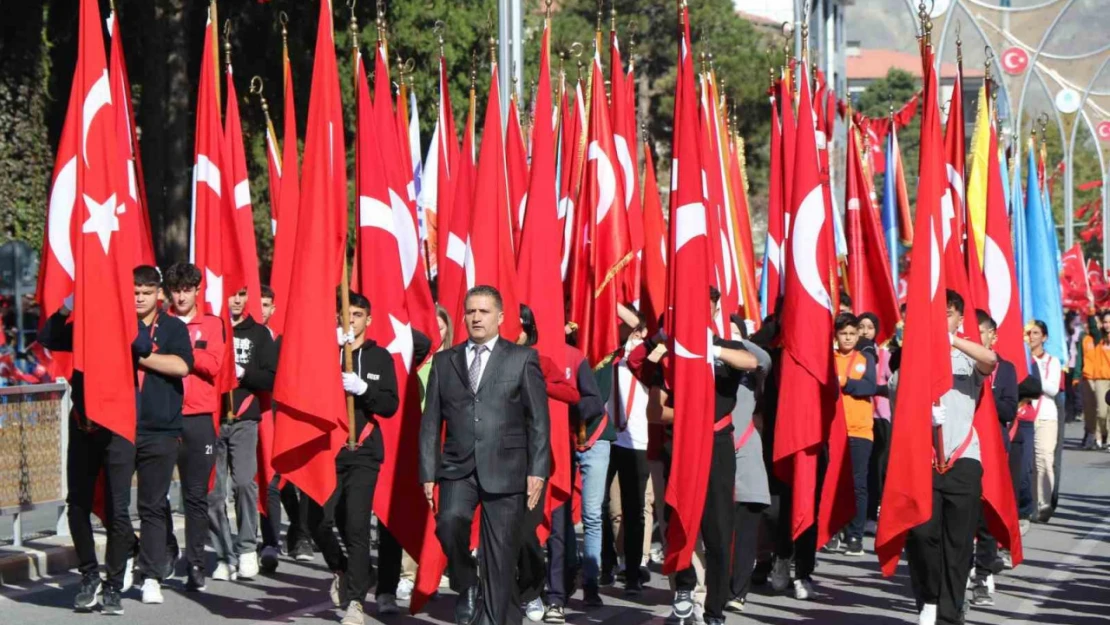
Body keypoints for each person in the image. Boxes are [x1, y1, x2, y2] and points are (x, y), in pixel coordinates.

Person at [419, 285, 550, 625]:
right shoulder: (445, 361)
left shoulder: (522, 359)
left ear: (501, 317)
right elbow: (431, 421)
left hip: (507, 468)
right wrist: (428, 472)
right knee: (449, 523)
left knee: (500, 555)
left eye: (484, 311)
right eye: (471, 311)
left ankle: (492, 620)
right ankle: (465, 581)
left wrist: (537, 470)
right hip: (457, 467)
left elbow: (538, 420)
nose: (476, 317)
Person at [893, 290, 997, 625]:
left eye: (949, 313)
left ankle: (950, 613)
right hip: (923, 458)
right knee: (923, 535)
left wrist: (951, 341)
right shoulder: (912, 357)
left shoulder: (966, 357)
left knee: (958, 542)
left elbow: (990, 360)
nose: (943, 319)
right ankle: (928, 598)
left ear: (959, 319)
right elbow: (897, 399)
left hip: (962, 457)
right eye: (937, 314)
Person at [670, 287, 764, 625]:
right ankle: (682, 588)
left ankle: (715, 609)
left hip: (717, 443)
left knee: (719, 530)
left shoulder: (727, 346)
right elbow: (657, 410)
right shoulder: (673, 348)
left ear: (715, 308)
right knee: (680, 520)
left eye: (706, 304)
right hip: (683, 443)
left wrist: (712, 349)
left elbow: (754, 362)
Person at [312, 291, 399, 625]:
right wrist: (331, 353)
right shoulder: (326, 351)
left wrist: (365, 390)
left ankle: (355, 603)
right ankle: (344, 569)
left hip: (362, 451)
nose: (351, 319)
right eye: (346, 313)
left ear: (368, 319)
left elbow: (390, 404)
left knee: (357, 525)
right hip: (327, 449)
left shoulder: (380, 358)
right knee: (317, 520)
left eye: (358, 314)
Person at [130, 266, 193, 605]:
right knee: (111, 501)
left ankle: (151, 575)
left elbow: (181, 366)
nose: (139, 296)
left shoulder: (172, 327)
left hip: (160, 429)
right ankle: (125, 555)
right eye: (134, 290)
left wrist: (143, 356)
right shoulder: (117, 324)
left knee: (152, 504)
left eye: (146, 290)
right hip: (121, 425)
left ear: (159, 294)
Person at [162, 263, 226, 592]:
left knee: (195, 495)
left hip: (199, 419)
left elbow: (214, 365)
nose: (182, 295)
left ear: (197, 290)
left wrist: (181, 353)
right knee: (155, 494)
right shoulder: (160, 321)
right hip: (164, 418)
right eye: (176, 290)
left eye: (187, 289)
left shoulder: (213, 324)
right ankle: (168, 547)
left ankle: (196, 562)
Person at [514, 304, 580, 622]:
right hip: (492, 460)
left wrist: (540, 382)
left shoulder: (540, 361)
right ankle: (493, 592)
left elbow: (572, 394)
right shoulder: (485, 362)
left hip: (532, 461)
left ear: (527, 330)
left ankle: (533, 591)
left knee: (528, 533)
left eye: (516, 326)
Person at [206, 288, 276, 581]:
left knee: (245, 482)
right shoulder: (212, 327)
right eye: (230, 294)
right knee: (213, 492)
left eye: (241, 294)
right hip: (210, 420)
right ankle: (224, 554)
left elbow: (271, 376)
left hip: (244, 419)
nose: (235, 300)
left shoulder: (259, 334)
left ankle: (247, 547)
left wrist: (243, 374)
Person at [546, 332, 609, 613]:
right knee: (560, 512)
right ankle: (567, 572)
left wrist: (568, 408)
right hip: (556, 446)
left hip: (589, 438)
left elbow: (593, 400)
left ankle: (591, 582)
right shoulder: (535, 354)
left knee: (592, 514)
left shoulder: (574, 355)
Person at [599, 309, 653, 597]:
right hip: (607, 438)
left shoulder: (644, 355)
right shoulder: (609, 354)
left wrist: (638, 330)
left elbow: (646, 330)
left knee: (634, 510)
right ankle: (606, 563)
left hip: (636, 441)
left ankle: (632, 571)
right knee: (599, 505)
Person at [724, 318, 773, 613]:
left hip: (746, 454)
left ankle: (738, 590)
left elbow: (764, 359)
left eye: (736, 333)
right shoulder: (713, 368)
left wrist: (728, 340)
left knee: (745, 529)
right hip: (716, 454)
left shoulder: (753, 368)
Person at [970, 310, 1018, 606]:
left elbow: (1008, 410)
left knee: (987, 515)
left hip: (994, 451)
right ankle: (959, 568)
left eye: (982, 333)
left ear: (992, 336)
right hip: (962, 449)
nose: (977, 339)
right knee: (962, 515)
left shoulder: (1007, 369)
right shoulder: (958, 365)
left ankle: (984, 573)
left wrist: (983, 396)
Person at [834, 313, 878, 556]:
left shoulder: (865, 357)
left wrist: (845, 382)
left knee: (858, 484)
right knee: (833, 483)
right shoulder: (829, 358)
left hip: (860, 430)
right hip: (835, 430)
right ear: (836, 335)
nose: (848, 338)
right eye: (844, 334)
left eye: (852, 333)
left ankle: (855, 536)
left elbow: (869, 386)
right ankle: (832, 531)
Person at [858, 312, 892, 532]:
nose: (864, 331)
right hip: (858, 417)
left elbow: (893, 382)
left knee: (877, 467)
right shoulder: (852, 355)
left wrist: (876, 389)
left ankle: (874, 511)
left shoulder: (884, 355)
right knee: (861, 468)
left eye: (869, 327)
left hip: (881, 418)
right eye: (861, 326)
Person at [1026, 320, 1062, 520]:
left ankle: (1045, 504)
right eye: (1029, 333)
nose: (1031, 337)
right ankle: (1030, 503)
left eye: (1036, 333)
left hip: (1046, 416)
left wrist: (1035, 369)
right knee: (1029, 462)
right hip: (1025, 414)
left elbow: (1053, 389)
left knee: (1044, 459)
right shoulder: (1022, 358)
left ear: (1045, 337)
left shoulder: (1051, 361)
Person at [1080, 310, 1110, 449]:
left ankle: (1108, 439)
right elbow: (1092, 326)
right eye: (1105, 322)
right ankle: (1101, 434)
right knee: (1102, 412)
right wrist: (1091, 308)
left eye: (1109, 322)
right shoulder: (1099, 339)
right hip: (1101, 380)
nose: (1107, 325)